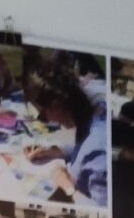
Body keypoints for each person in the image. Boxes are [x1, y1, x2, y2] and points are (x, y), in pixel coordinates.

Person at [40, 75, 109, 208]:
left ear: (57, 106)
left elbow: (103, 211)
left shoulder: (97, 153)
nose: (47, 118)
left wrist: (69, 188)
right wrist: (60, 152)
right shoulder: (89, 120)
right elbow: (84, 150)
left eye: (45, 111)